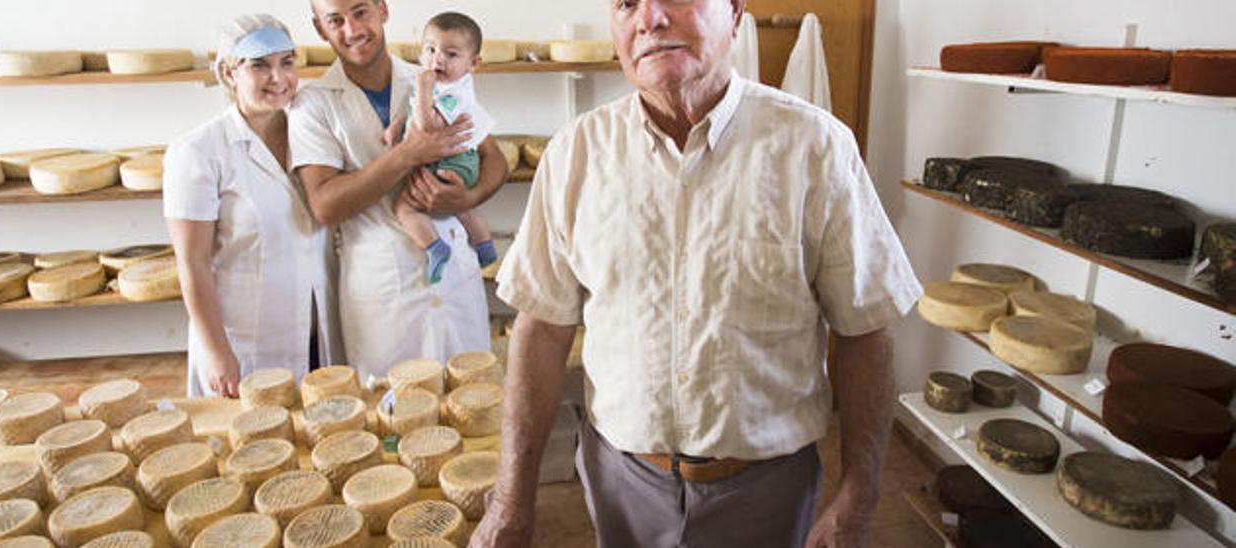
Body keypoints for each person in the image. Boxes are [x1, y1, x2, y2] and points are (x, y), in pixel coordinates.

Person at [473, 0, 922, 547]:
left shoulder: (814, 148)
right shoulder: (576, 154)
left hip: (767, 491)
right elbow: (541, 330)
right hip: (621, 484)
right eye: (627, 3)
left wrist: (860, 492)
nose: (650, 18)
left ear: (734, 11)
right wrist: (511, 499)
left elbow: (865, 330)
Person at [291, 0, 508, 377]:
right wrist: (408, 153)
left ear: (383, 9)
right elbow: (325, 205)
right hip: (381, 290)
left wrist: (468, 198)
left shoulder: (436, 74)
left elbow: (494, 159)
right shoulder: (312, 104)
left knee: (473, 403)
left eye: (361, 12)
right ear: (319, 28)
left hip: (456, 273)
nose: (353, 29)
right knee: (395, 417)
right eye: (335, 21)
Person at [163, 14, 343, 398]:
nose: (278, 78)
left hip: (319, 335)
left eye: (287, 63)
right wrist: (217, 352)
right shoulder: (198, 152)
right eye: (260, 66)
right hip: (246, 345)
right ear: (229, 74)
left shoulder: (313, 135)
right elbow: (192, 262)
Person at [385, 11, 499, 284]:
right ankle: (484, 245)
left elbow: (426, 126)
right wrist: (395, 127)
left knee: (405, 207)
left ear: (473, 63)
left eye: (451, 54)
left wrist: (424, 89)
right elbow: (412, 108)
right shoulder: (439, 85)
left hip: (451, 162)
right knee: (461, 206)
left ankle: (435, 248)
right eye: (431, 49)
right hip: (455, 162)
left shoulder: (453, 93)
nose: (438, 59)